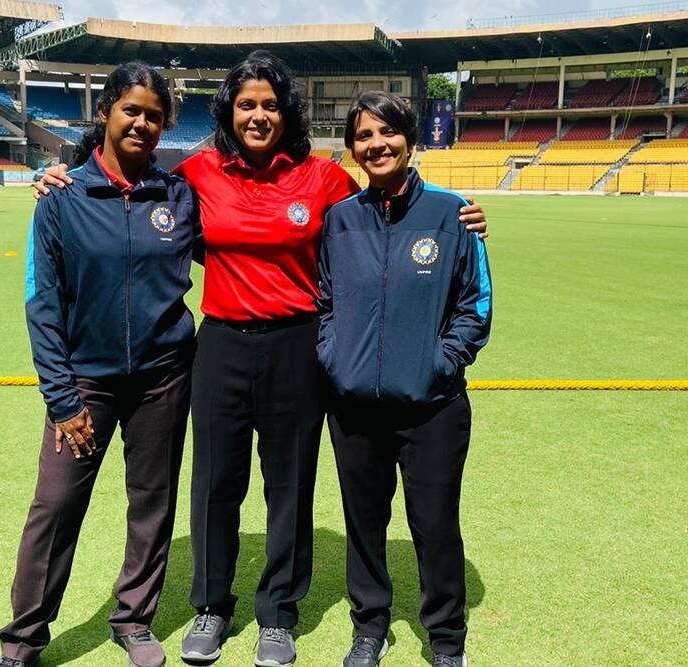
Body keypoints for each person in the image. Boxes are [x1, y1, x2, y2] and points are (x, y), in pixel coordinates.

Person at [33, 50, 487, 667]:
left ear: (286, 111)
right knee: (216, 483)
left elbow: (381, 210)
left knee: (289, 486)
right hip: (218, 344)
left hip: (297, 346)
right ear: (230, 109)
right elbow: (140, 199)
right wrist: (57, 174)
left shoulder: (323, 178)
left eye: (270, 104)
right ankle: (212, 606)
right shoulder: (197, 172)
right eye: (247, 103)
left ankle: (278, 614)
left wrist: (461, 215)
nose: (258, 115)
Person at [0, 61, 199, 667]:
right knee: (55, 506)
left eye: (154, 116)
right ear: (107, 112)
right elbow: (43, 303)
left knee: (152, 502)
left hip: (164, 378)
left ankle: (133, 619)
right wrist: (62, 399)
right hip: (84, 382)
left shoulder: (179, 196)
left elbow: (250, 243)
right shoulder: (62, 197)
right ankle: (24, 639)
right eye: (131, 110)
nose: (142, 123)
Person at [318, 92, 491, 667]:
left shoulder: (452, 213)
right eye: (364, 136)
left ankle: (446, 639)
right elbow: (323, 302)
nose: (377, 145)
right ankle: (369, 627)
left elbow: (476, 305)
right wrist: (335, 358)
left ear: (410, 141)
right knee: (364, 525)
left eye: (388, 132)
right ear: (351, 148)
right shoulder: (339, 221)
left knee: (435, 524)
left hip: (431, 407)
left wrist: (440, 363)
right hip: (354, 408)